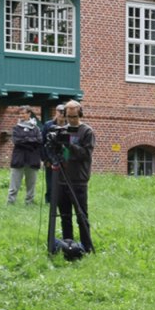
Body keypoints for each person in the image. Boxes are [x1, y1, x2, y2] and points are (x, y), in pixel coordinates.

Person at [47, 100, 95, 252]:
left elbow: (85, 154)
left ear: (80, 114)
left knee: (81, 215)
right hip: (61, 177)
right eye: (69, 116)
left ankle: (86, 246)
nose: (72, 120)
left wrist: (69, 145)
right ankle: (68, 245)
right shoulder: (62, 131)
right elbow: (55, 150)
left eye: (74, 116)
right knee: (65, 215)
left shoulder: (87, 132)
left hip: (78, 179)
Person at [8, 107, 44, 205]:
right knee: (14, 183)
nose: (21, 116)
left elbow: (39, 141)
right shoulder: (16, 128)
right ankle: (11, 201)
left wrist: (25, 139)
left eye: (23, 113)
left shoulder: (36, 128)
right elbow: (17, 141)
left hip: (33, 159)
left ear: (29, 114)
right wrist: (31, 140)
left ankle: (29, 202)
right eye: (20, 114)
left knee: (31, 183)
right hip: (19, 158)